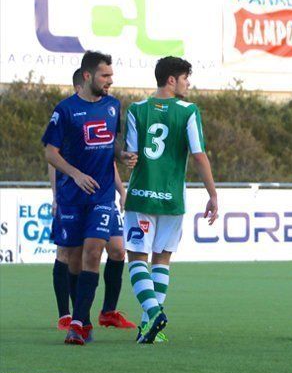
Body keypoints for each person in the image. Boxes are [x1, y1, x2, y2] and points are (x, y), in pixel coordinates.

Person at [43, 51, 136, 345]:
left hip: (101, 196)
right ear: (87, 76)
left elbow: (111, 145)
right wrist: (74, 174)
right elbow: (50, 152)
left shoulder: (112, 106)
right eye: (105, 75)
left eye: (111, 75)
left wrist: (122, 155)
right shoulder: (65, 110)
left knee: (95, 252)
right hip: (72, 195)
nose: (110, 81)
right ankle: (79, 317)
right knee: (72, 259)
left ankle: (80, 323)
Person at [124, 56, 218, 344]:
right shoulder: (189, 111)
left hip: (141, 194)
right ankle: (149, 325)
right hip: (172, 198)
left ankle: (152, 313)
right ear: (171, 80)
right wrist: (212, 193)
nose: (188, 83)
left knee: (137, 257)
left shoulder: (136, 110)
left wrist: (127, 158)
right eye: (185, 77)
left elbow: (130, 154)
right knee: (162, 259)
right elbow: (199, 155)